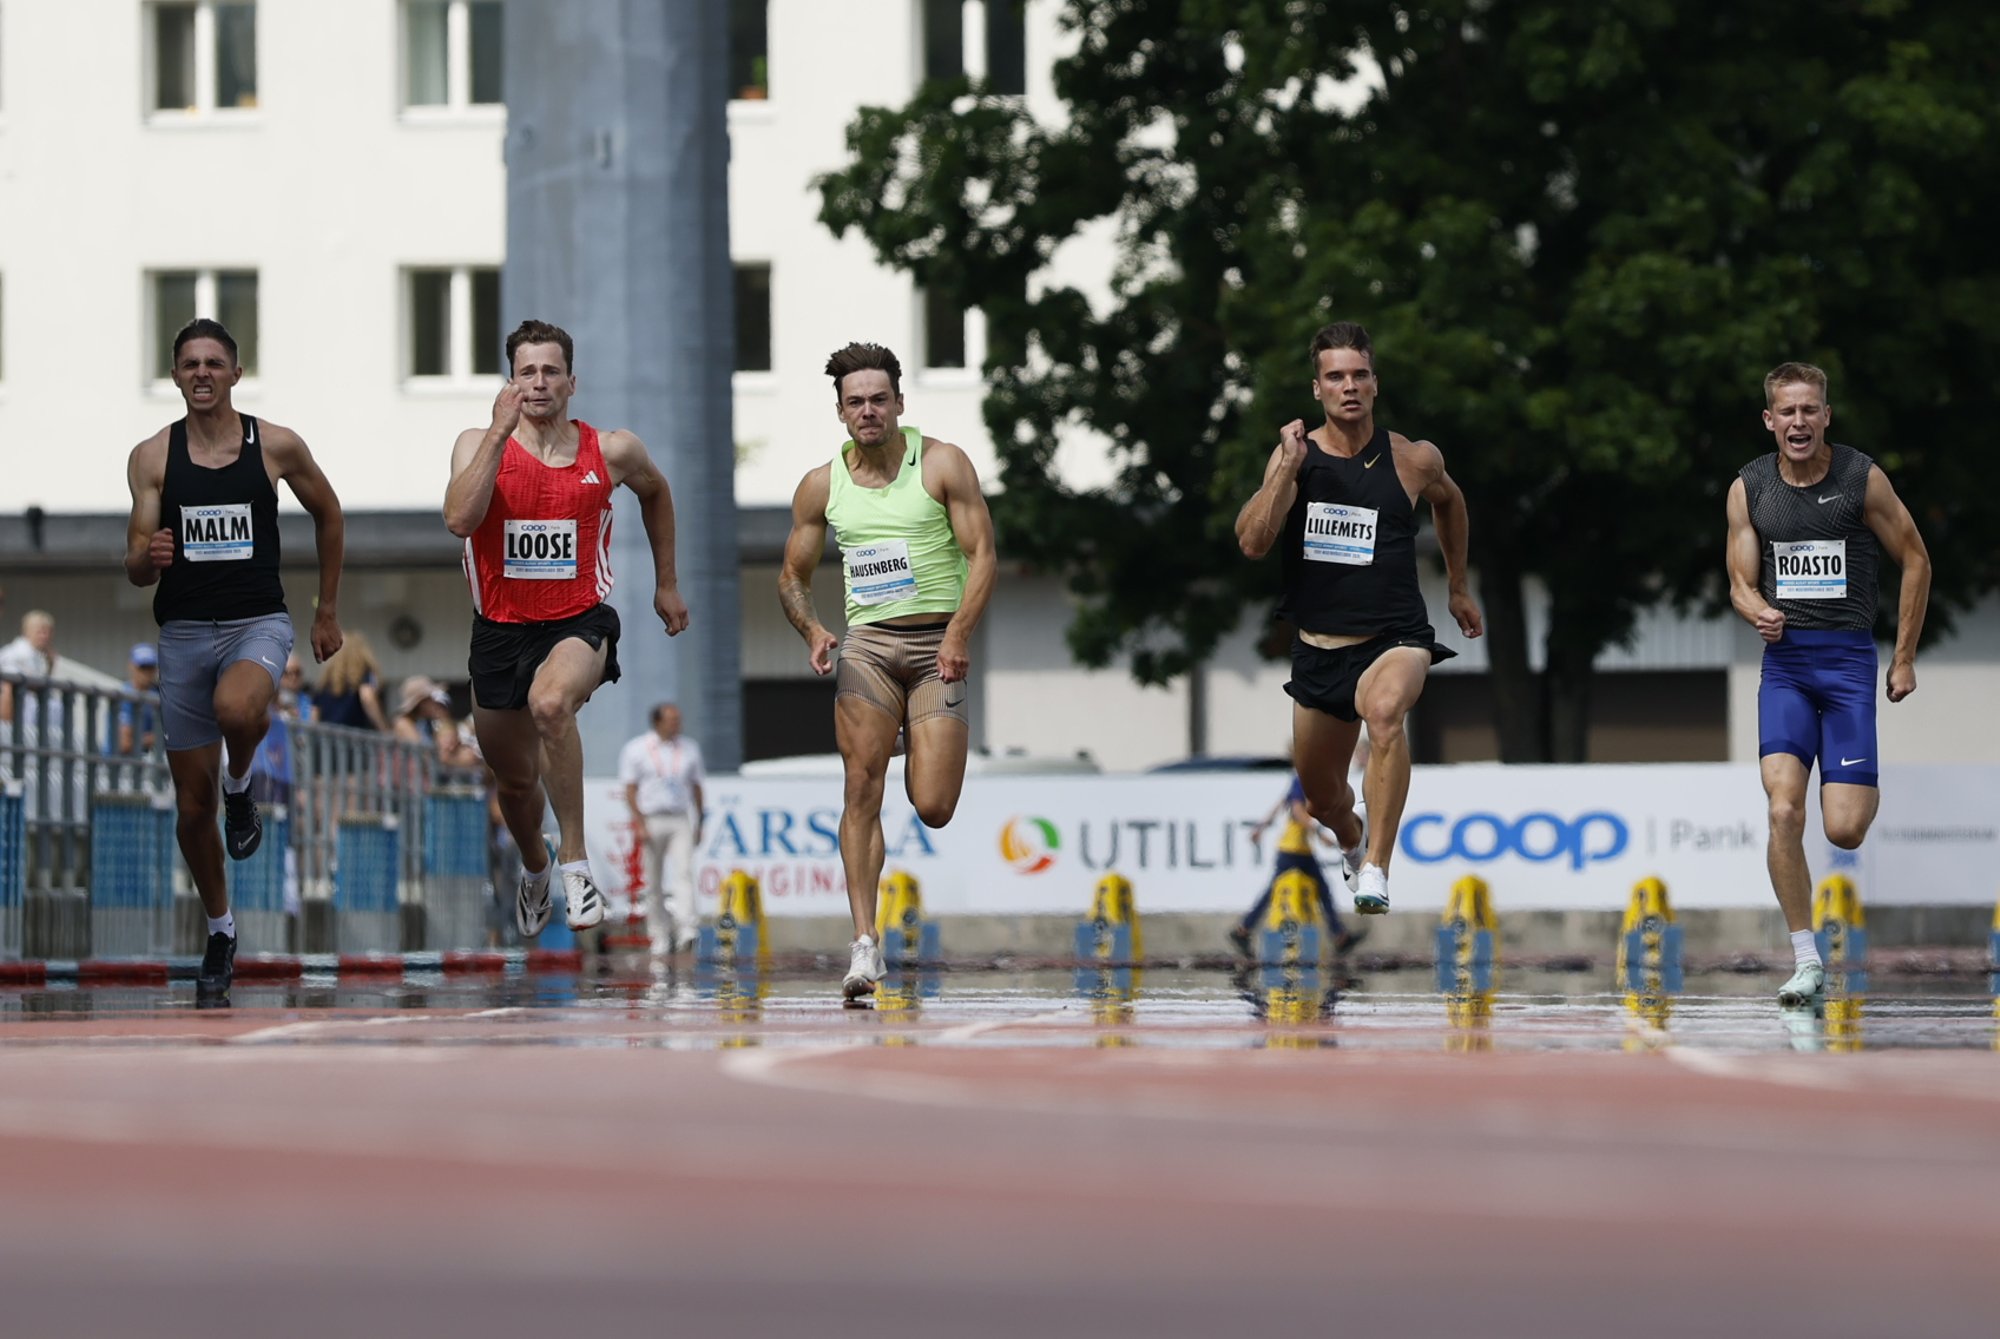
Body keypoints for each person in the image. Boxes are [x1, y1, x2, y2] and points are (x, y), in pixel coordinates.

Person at [122, 317, 346, 1000]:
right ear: (175, 375)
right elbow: (135, 557)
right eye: (189, 363)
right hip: (184, 632)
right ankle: (221, 930)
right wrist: (146, 558)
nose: (201, 374)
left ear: (236, 372)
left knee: (238, 707)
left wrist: (325, 609)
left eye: (213, 363)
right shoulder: (153, 456)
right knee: (191, 809)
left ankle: (241, 783)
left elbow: (330, 513)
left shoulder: (274, 444)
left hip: (257, 621)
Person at [445, 318, 689, 941]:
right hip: (499, 629)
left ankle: (576, 863)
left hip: (578, 620)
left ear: (572, 382)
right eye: (527, 371)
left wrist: (666, 582)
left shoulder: (610, 450)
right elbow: (458, 519)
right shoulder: (478, 443)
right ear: (510, 382)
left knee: (552, 704)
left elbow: (657, 493)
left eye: (551, 371)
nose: (539, 382)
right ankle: (536, 864)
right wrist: (500, 434)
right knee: (515, 782)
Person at [1234, 321, 1482, 917]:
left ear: (1375, 383)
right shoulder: (1298, 458)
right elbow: (1252, 543)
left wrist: (1457, 586)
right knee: (1322, 798)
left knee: (1386, 714)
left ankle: (1377, 867)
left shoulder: (1414, 459)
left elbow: (1452, 503)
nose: (1349, 386)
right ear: (1317, 388)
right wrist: (1287, 471)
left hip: (1394, 637)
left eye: (1359, 375)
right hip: (1319, 648)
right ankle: (1352, 840)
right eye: (1335, 377)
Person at [778, 342, 997, 999]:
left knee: (932, 806)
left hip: (937, 646)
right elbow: (793, 575)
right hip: (869, 646)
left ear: (900, 403)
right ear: (840, 412)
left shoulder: (942, 465)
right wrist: (814, 628)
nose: (868, 411)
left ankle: (916, 732)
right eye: (856, 402)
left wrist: (959, 633)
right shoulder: (823, 484)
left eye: (879, 399)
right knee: (860, 786)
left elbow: (983, 554)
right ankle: (865, 944)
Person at [1725, 361, 1930, 1008]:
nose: (1799, 421)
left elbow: (1917, 558)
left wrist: (1902, 657)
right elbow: (1739, 579)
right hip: (1786, 667)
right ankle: (1806, 960)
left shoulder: (1860, 479)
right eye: (1787, 411)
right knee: (1783, 808)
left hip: (1845, 667)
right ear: (1769, 420)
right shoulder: (1749, 488)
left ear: (1826, 416)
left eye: (1810, 409)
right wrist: (1755, 606)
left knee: (1843, 830)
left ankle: (1855, 775)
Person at [1231, 763, 1369, 960]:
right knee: (1311, 890)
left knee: (1313, 889)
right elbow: (1297, 810)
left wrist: (1260, 827)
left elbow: (1281, 804)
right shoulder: (1304, 779)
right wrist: (1319, 832)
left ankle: (1243, 930)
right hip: (1293, 849)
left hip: (1299, 848)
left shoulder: (1302, 780)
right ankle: (1339, 936)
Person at [617, 702, 707, 960]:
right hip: (651, 818)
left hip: (679, 818)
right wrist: (639, 821)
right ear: (657, 722)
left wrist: (700, 820)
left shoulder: (689, 748)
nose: (677, 724)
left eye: (678, 719)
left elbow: (697, 786)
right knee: (652, 880)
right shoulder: (637, 749)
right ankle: (658, 934)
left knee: (684, 873)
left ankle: (687, 929)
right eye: (671, 720)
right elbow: (630, 789)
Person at [393, 674, 480, 772]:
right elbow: (424, 755)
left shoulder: (425, 722)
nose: (435, 701)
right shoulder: (403, 723)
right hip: (413, 781)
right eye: (431, 698)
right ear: (421, 703)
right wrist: (458, 760)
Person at [310, 631, 389, 731]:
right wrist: (384, 729)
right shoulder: (362, 676)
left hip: (328, 740)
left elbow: (314, 715)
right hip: (354, 740)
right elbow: (367, 697)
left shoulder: (324, 682)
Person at [113, 642, 163, 756]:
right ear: (131, 666)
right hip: (119, 764)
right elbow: (124, 745)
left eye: (150, 667)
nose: (147, 672)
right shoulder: (125, 695)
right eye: (143, 667)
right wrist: (156, 738)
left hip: (147, 760)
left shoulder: (158, 693)